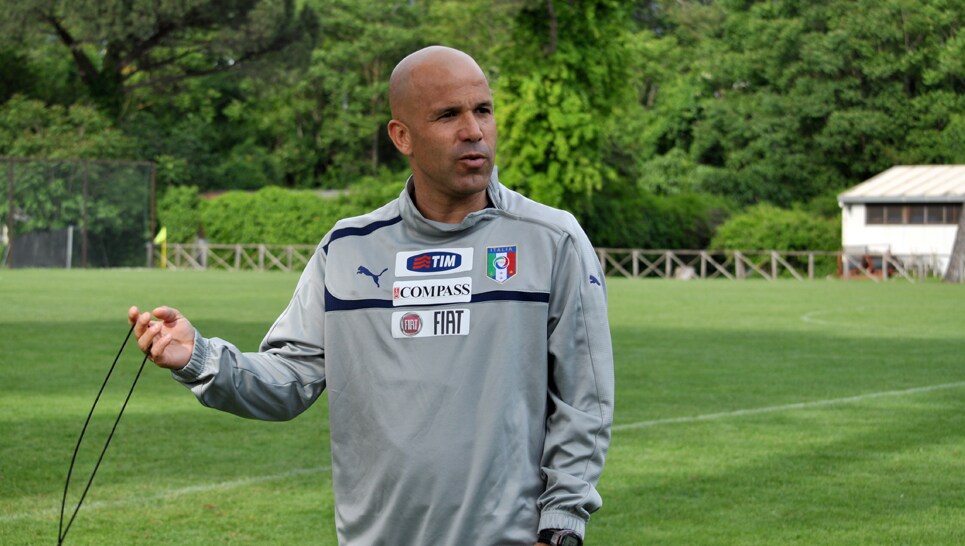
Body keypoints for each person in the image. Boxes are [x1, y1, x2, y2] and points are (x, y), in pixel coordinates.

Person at [129, 45, 613, 546]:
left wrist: (562, 526)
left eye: (483, 110)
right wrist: (199, 357)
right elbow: (290, 376)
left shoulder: (551, 240)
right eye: (449, 115)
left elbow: (585, 399)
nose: (473, 130)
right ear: (402, 136)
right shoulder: (347, 249)